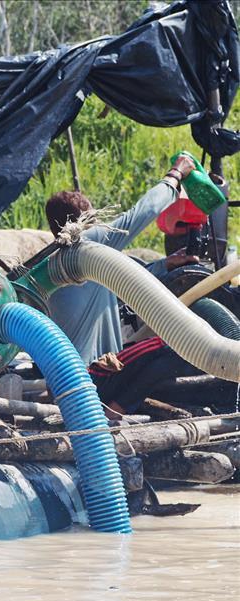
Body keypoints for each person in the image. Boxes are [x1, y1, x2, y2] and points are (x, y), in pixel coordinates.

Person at [44, 152, 206, 415]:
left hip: (65, 385)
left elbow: (121, 277)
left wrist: (164, 265)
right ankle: (113, 411)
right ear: (87, 222)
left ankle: (118, 403)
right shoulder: (87, 243)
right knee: (181, 343)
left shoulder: (56, 263)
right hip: (91, 379)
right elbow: (142, 213)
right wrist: (176, 174)